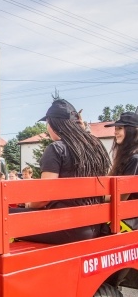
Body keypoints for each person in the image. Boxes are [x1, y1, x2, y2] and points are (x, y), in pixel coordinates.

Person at [13, 99, 110, 244]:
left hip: (66, 227)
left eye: (47, 123)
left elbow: (44, 197)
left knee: (2, 216)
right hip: (95, 225)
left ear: (52, 124)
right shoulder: (96, 148)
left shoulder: (56, 148)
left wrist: (28, 205)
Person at [104, 111, 138, 231]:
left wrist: (97, 198)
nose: (115, 132)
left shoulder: (135, 159)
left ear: (133, 131)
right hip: (126, 214)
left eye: (120, 128)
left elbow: (121, 197)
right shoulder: (127, 156)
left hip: (131, 218)